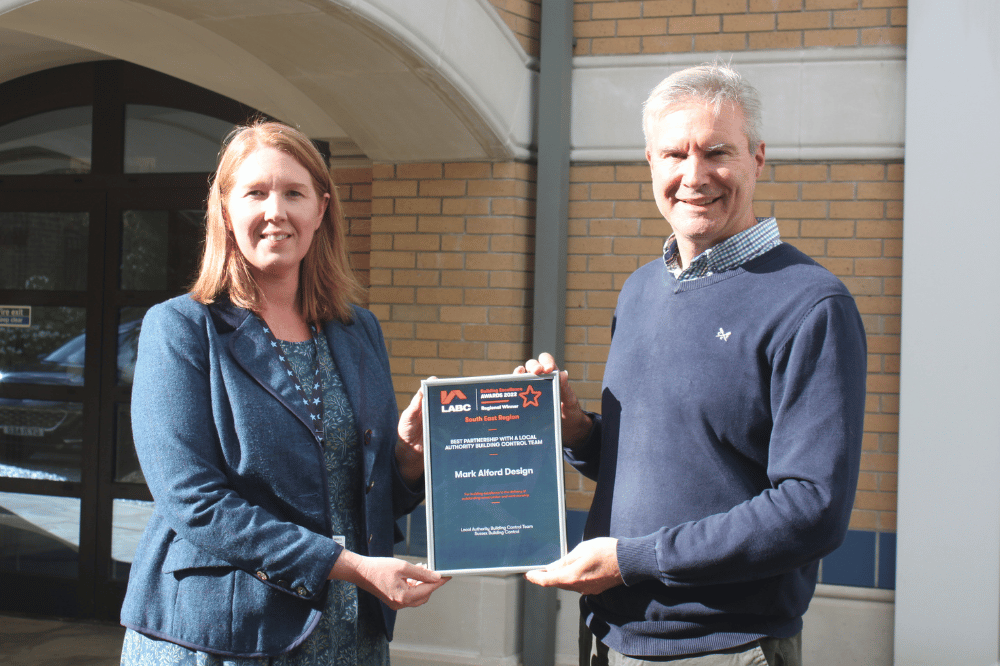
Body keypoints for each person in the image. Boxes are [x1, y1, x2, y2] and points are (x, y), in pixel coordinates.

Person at [518, 64, 867, 665]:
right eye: (675, 154)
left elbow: (812, 509)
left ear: (758, 158)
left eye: (717, 152)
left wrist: (633, 559)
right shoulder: (641, 290)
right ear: (650, 164)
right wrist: (576, 429)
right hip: (607, 637)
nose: (694, 175)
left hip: (725, 647)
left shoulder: (811, 304)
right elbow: (672, 461)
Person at [119, 120, 446, 665]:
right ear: (225, 210)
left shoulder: (356, 329)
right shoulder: (179, 329)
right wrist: (354, 567)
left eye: (294, 193)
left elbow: (361, 492)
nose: (277, 211)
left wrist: (407, 461)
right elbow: (194, 502)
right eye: (256, 193)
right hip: (221, 635)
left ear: (321, 211)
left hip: (349, 630)